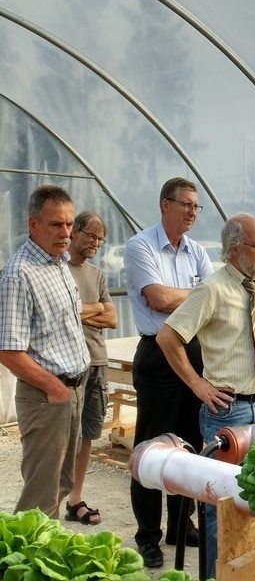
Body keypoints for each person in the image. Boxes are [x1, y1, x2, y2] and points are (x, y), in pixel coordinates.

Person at [157, 213, 255, 579]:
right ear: (235, 249)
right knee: (219, 508)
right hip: (228, 413)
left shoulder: (254, 283)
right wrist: (198, 385)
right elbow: (168, 337)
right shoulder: (212, 288)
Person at [123, 177, 214, 569]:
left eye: (197, 206)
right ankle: (148, 536)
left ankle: (181, 525)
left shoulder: (197, 251)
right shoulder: (140, 246)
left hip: (194, 353)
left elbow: (214, 299)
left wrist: (192, 297)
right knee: (152, 446)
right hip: (157, 356)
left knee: (190, 443)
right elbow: (157, 298)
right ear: (165, 205)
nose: (193, 212)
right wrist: (198, 295)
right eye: (186, 205)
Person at [0, 185, 90, 519]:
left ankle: (48, 557)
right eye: (56, 225)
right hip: (46, 396)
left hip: (71, 390)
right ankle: (25, 565)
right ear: (34, 224)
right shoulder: (19, 274)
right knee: (39, 497)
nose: (65, 233)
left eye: (69, 224)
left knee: (61, 484)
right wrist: (55, 389)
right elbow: (9, 351)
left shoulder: (58, 263)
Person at [65, 211, 118, 526]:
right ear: (75, 232)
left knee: (88, 433)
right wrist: (95, 307)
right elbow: (62, 313)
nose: (96, 242)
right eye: (91, 235)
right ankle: (51, 500)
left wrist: (87, 310)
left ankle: (75, 499)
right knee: (63, 434)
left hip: (96, 361)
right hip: (69, 364)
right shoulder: (59, 270)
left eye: (100, 239)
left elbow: (112, 319)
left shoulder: (96, 275)